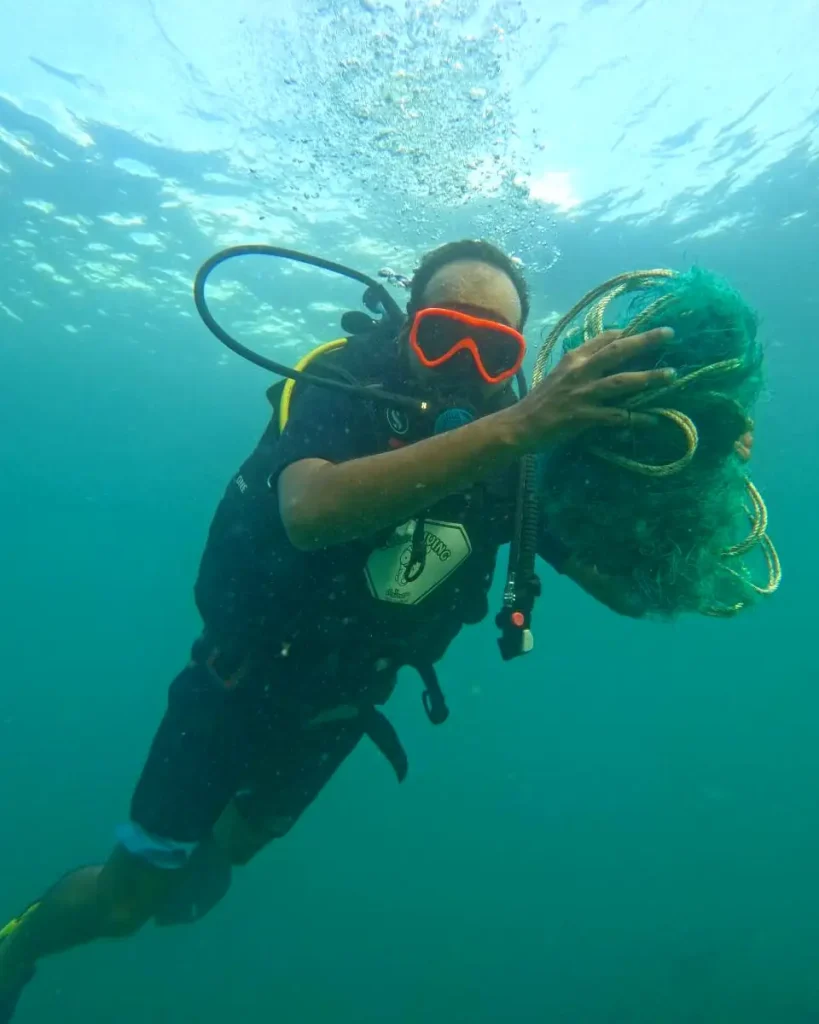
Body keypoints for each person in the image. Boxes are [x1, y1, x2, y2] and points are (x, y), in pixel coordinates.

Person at [0, 239, 677, 1020]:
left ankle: (202, 857)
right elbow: (309, 513)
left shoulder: (519, 453)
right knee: (127, 905)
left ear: (514, 361)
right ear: (404, 330)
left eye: (492, 351)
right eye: (440, 335)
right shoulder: (344, 381)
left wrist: (685, 474)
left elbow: (627, 590)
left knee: (240, 846)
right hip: (235, 685)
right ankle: (18, 945)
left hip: (344, 706)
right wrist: (519, 426)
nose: (461, 364)